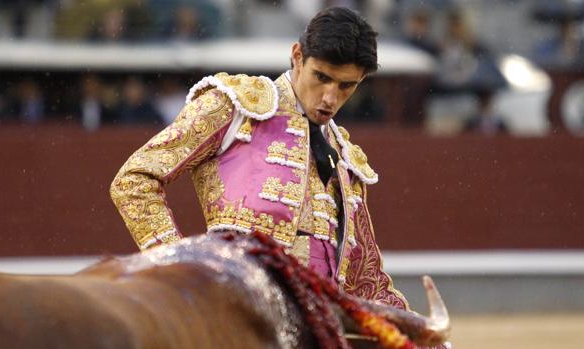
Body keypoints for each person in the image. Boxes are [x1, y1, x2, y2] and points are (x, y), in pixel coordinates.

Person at [110, 7, 407, 310]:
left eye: (347, 86)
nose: (330, 98)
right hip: (240, 309)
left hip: (318, 321)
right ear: (297, 56)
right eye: (321, 77)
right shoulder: (238, 107)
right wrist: (180, 269)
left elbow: (365, 280)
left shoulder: (345, 158)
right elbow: (135, 179)